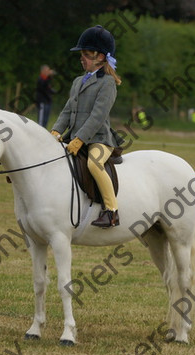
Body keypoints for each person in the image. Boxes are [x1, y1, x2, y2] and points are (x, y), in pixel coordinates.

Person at [51, 25, 123, 228]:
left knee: (94, 164)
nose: (81, 58)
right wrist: (56, 130)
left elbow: (97, 116)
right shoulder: (77, 82)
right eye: (81, 54)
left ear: (100, 57)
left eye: (86, 54)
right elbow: (67, 110)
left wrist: (80, 139)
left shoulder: (107, 83)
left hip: (98, 139)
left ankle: (111, 211)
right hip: (73, 137)